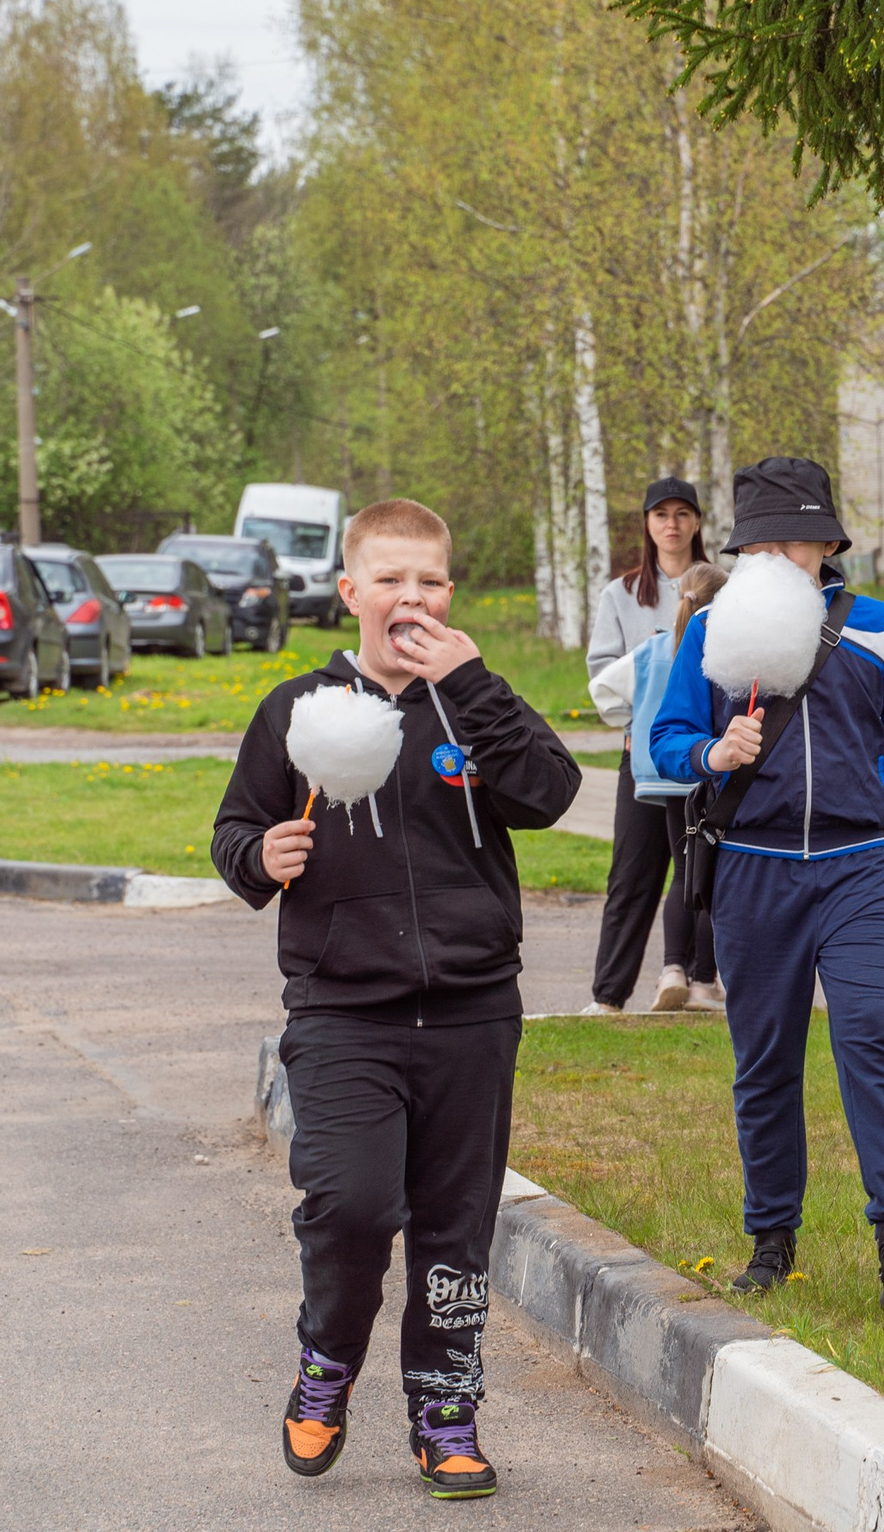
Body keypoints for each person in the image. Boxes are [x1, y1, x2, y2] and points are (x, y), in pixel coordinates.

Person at [212, 498, 582, 1499]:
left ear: (450, 594)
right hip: (342, 1012)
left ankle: (446, 1408)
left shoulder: (473, 705)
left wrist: (469, 679)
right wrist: (262, 854)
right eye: (390, 580)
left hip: (471, 1010)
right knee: (352, 1205)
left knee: (455, 1227)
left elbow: (551, 792)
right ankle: (326, 1361)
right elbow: (233, 836)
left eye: (429, 581)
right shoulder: (297, 712)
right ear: (350, 594)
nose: (410, 598)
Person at [650, 457, 884, 1312]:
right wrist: (710, 754)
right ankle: (771, 1240)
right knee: (764, 1058)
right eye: (760, 544)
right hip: (753, 871)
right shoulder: (711, 633)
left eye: (794, 542)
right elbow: (664, 739)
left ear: (828, 544)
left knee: (873, 1034)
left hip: (857, 869)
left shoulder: (880, 629)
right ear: (741, 552)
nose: (778, 557)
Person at [585, 478, 711, 1012]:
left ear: (698, 523)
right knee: (632, 875)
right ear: (647, 523)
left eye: (683, 513)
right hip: (642, 756)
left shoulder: (720, 587)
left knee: (701, 870)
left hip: (704, 756)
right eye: (661, 514)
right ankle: (609, 997)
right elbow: (602, 673)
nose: (672, 524)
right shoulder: (621, 594)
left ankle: (698, 981)